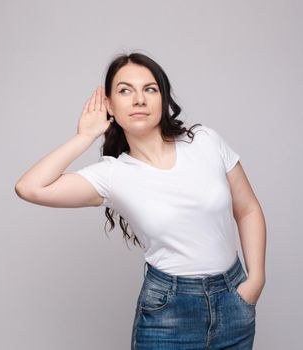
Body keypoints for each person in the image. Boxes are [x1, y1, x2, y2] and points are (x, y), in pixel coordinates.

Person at [14, 52, 266, 349]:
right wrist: (85, 136)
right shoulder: (112, 176)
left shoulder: (205, 141)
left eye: (150, 89)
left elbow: (248, 209)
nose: (139, 100)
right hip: (168, 313)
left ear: (163, 98)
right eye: (125, 90)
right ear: (109, 104)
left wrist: (256, 281)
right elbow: (29, 188)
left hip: (234, 298)